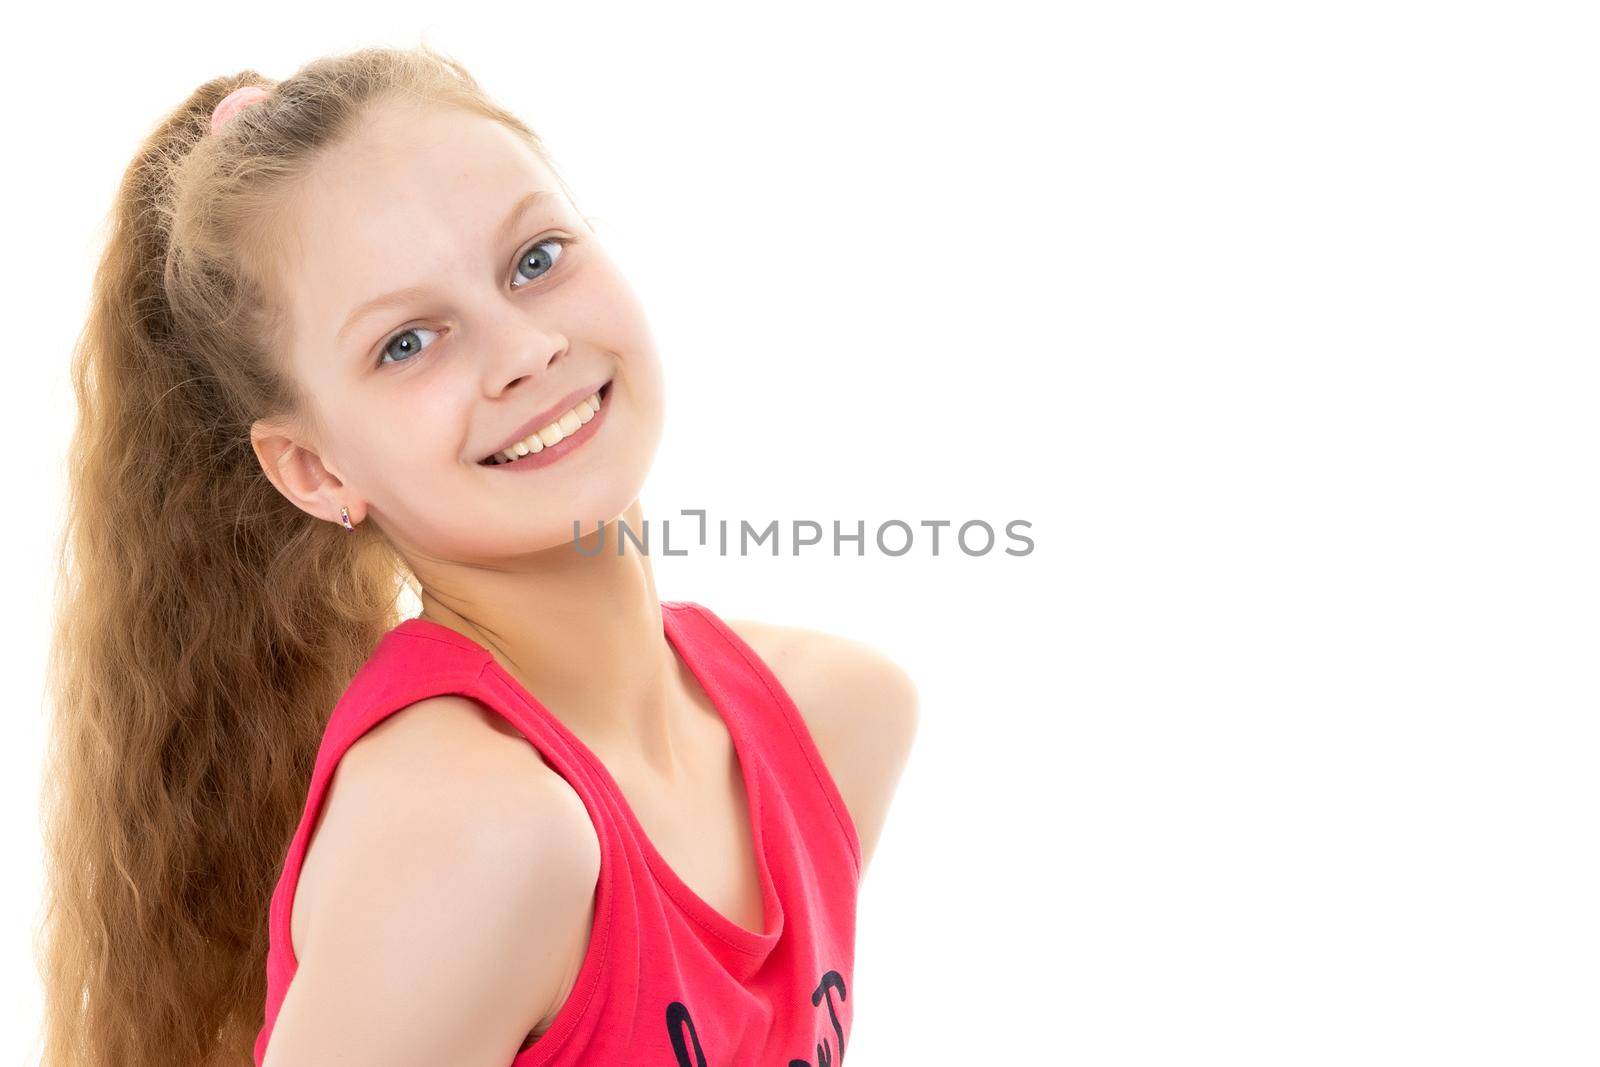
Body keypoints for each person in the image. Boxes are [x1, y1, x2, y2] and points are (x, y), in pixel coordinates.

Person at [40, 44, 918, 1067]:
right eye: (408, 341)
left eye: (536, 260)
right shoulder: (476, 833)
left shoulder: (836, 715)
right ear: (315, 470)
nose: (523, 350)